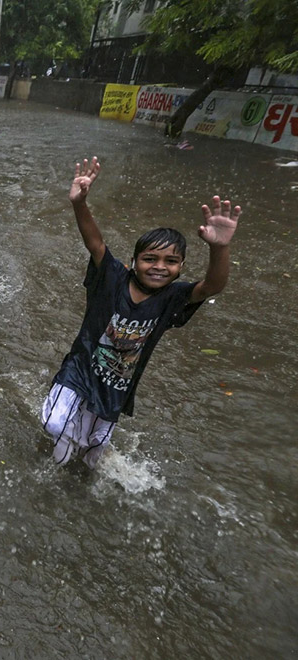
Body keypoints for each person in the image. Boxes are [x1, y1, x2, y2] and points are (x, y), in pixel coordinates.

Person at [42, 157, 242, 468]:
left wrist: (220, 247)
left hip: (116, 388)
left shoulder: (173, 298)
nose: (160, 267)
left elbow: (213, 286)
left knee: (90, 459)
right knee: (56, 429)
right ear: (134, 261)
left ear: (180, 268)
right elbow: (95, 243)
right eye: (150, 259)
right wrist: (80, 203)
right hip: (80, 371)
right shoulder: (111, 278)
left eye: (170, 261)